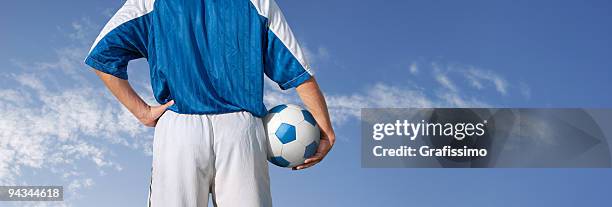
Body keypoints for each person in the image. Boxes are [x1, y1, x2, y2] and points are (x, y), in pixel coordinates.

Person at [84, 0, 335, 206]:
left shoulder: (151, 2)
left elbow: (101, 55)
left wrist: (143, 112)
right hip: (242, 132)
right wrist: (325, 130)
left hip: (180, 130)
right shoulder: (259, 3)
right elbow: (299, 74)